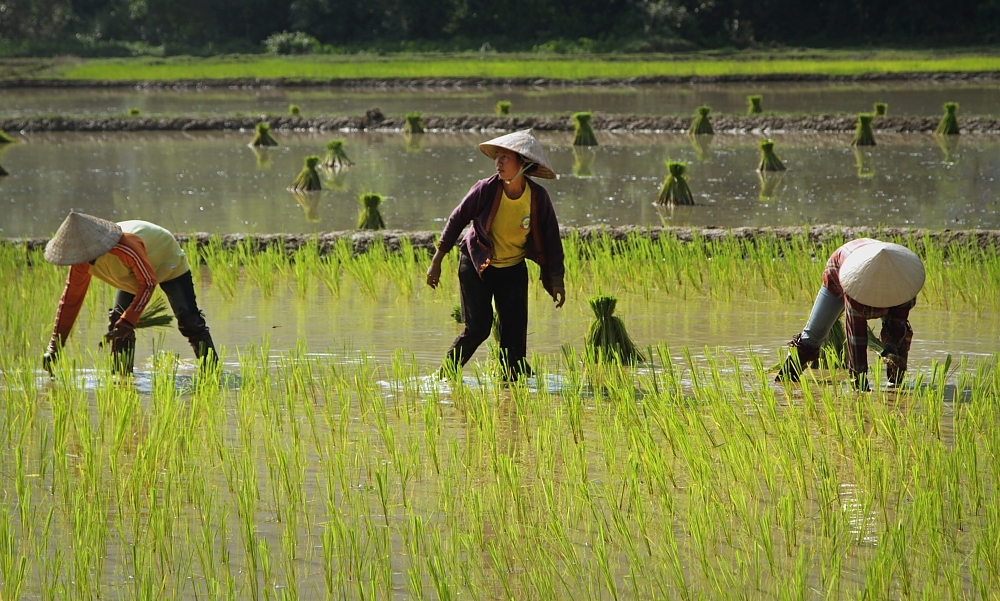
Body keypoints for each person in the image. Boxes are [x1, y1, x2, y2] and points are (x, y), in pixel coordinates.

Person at [426, 129, 566, 380]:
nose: (498, 163)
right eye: (497, 157)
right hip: (478, 265)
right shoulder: (485, 190)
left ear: (522, 164)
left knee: (514, 333)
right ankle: (445, 376)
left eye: (506, 158)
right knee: (479, 328)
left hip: (513, 269)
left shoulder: (537, 198)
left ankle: (512, 384)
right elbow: (457, 220)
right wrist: (437, 261)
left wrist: (556, 280)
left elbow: (552, 240)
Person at [42, 212, 217, 374]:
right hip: (131, 275)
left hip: (165, 260)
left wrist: (129, 320)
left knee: (190, 321)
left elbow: (148, 284)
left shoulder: (126, 246)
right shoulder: (80, 262)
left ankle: (212, 373)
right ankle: (122, 378)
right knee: (117, 323)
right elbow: (71, 300)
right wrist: (55, 346)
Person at [777, 238, 925, 390]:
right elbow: (856, 336)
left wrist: (891, 348)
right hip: (842, 268)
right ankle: (784, 380)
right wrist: (859, 380)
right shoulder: (856, 287)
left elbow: (897, 324)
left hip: (881, 262)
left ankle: (896, 385)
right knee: (813, 336)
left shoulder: (904, 288)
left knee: (900, 342)